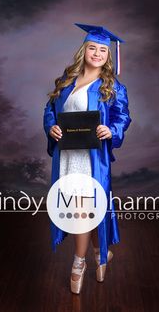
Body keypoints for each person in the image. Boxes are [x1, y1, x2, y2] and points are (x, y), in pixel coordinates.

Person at [43, 23, 132, 294]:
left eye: (103, 50)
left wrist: (112, 129)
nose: (97, 53)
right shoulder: (66, 80)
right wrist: (51, 127)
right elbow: (49, 109)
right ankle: (99, 253)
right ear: (84, 50)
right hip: (68, 155)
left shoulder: (112, 86)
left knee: (82, 210)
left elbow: (122, 117)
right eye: (92, 47)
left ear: (108, 56)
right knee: (86, 208)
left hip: (92, 158)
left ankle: (78, 262)